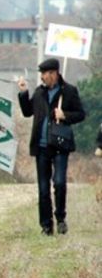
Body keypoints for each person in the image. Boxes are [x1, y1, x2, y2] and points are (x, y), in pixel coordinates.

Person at [17, 58, 85, 235]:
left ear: (54, 74)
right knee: (43, 188)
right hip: (41, 147)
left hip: (60, 145)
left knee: (60, 182)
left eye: (45, 74)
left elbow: (80, 114)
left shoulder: (69, 91)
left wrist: (65, 115)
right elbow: (27, 112)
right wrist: (23, 93)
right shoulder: (39, 92)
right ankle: (46, 225)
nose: (42, 77)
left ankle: (60, 217)